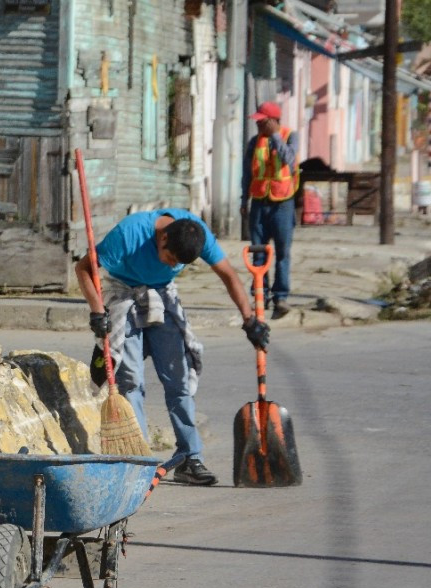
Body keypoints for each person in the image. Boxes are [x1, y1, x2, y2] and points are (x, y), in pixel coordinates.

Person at [75, 209, 270, 486]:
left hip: (163, 296)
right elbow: (83, 268)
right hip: (123, 293)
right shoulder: (129, 234)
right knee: (130, 381)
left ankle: (189, 458)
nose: (171, 265)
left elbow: (227, 274)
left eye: (178, 263)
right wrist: (97, 311)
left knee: (179, 377)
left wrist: (249, 320)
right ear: (162, 238)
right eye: (170, 258)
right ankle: (138, 462)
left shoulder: (195, 233)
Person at [240, 101, 299, 320]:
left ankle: (281, 297)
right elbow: (247, 173)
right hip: (259, 203)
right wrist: (243, 199)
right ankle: (260, 296)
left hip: (283, 204)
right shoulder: (254, 142)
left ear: (272, 121)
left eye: (261, 121)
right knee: (258, 252)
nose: (258, 125)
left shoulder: (290, 136)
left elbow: (290, 161)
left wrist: (275, 137)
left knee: (282, 252)